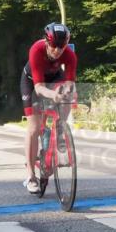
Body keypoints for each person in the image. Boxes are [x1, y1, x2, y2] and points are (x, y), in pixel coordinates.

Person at [21, 23, 77, 193]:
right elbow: (38, 88)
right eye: (54, 46)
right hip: (32, 83)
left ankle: (60, 129)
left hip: (54, 78)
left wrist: (66, 91)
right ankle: (31, 175)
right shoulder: (36, 50)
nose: (58, 50)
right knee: (34, 128)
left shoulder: (69, 54)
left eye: (62, 46)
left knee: (70, 94)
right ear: (47, 41)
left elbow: (69, 81)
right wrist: (53, 96)